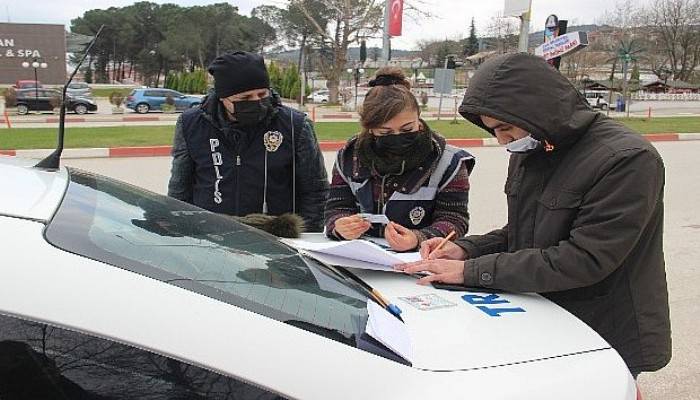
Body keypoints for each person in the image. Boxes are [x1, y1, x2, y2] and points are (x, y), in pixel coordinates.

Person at [396, 53, 671, 377]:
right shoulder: (532, 149)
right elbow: (525, 232)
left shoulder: (627, 159)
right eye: (493, 131)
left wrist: (469, 271)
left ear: (536, 110)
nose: (502, 141)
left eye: (506, 128)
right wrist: (466, 249)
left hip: (605, 330)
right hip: (546, 318)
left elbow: (585, 258)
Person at [168, 51, 328, 233]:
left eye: (262, 94)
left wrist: (308, 238)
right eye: (245, 98)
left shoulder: (295, 125)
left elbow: (315, 190)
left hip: (275, 238)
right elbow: (179, 189)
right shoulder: (190, 124)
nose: (257, 102)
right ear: (222, 97)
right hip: (211, 234)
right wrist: (179, 229)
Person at [324, 67, 475, 251]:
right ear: (370, 128)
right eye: (385, 132)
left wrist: (418, 238)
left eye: (407, 129)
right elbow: (335, 208)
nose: (397, 136)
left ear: (418, 119)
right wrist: (339, 226)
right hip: (358, 260)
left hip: (419, 263)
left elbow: (455, 220)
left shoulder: (448, 161)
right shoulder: (348, 157)